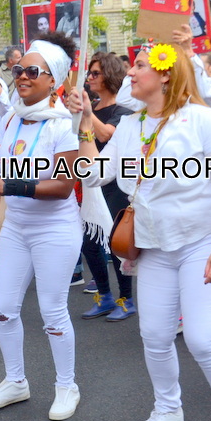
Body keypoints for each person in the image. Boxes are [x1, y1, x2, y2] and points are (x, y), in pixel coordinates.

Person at [67, 41, 211, 421]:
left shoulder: (205, 120)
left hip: (203, 243)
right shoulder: (130, 125)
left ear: (166, 74)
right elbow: (92, 175)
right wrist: (84, 121)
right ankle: (168, 409)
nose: (130, 72)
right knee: (153, 336)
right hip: (152, 248)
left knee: (203, 339)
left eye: (139, 65)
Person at [0, 32, 83, 421]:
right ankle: (16, 382)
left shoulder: (64, 124)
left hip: (55, 230)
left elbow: (64, 186)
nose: (22, 76)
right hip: (16, 227)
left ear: (53, 80)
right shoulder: (11, 118)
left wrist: (12, 186)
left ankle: (67, 386)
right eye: (18, 70)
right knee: (3, 309)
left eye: (32, 71)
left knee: (52, 311)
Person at [76, 53, 135, 321]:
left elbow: (106, 134)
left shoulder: (124, 110)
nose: (89, 77)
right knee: (89, 242)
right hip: (91, 184)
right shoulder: (91, 107)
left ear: (110, 76)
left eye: (95, 73)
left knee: (116, 242)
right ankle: (104, 295)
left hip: (116, 185)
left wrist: (87, 114)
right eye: (89, 73)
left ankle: (127, 299)